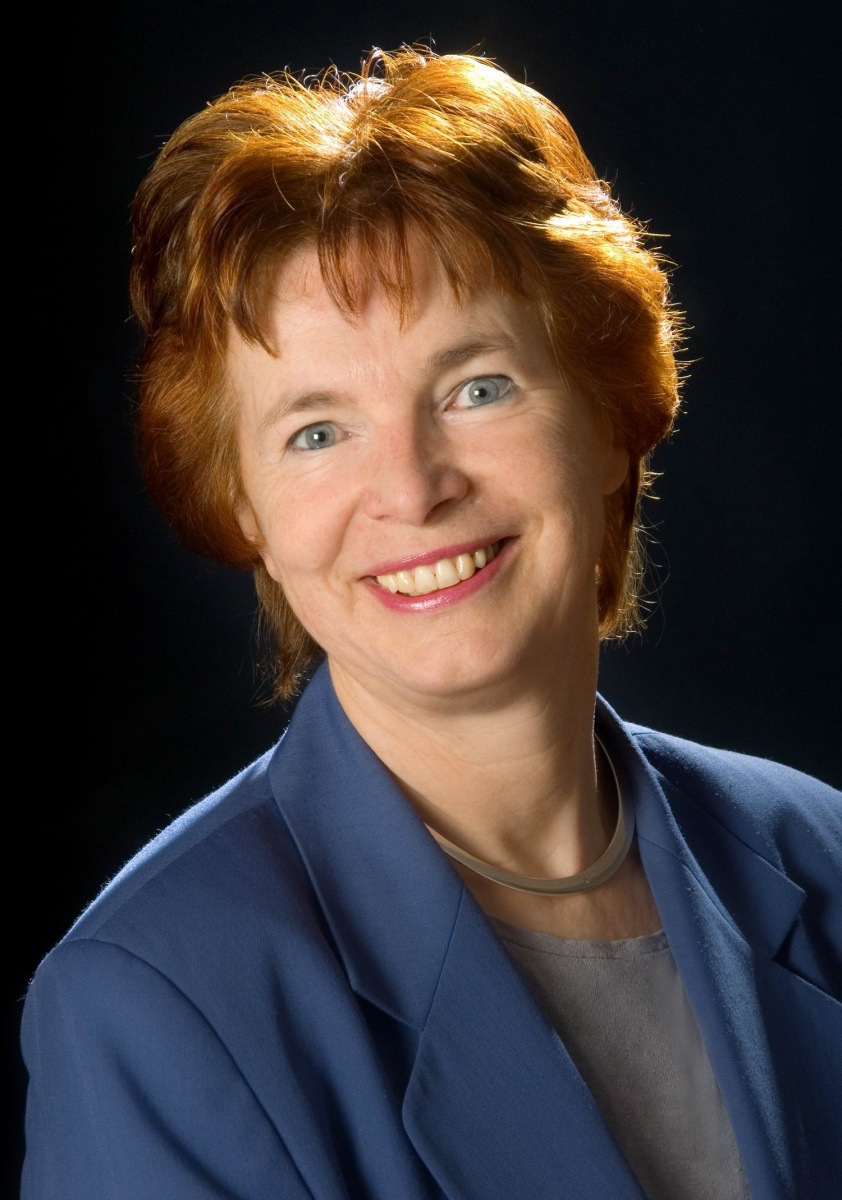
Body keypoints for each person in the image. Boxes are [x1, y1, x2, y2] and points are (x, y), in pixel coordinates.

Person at [21, 44, 841, 1200]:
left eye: (475, 388)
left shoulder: (821, 854)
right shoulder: (155, 997)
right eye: (316, 431)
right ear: (242, 505)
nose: (410, 490)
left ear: (609, 419)